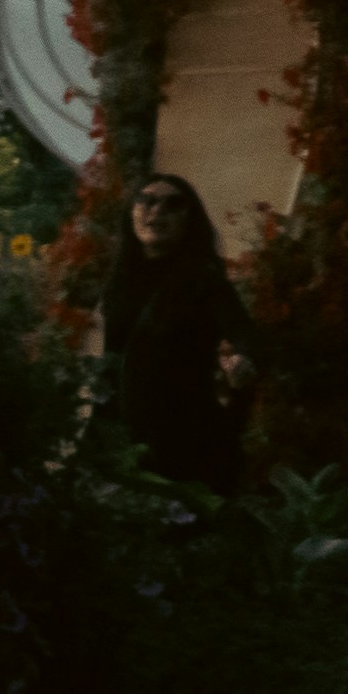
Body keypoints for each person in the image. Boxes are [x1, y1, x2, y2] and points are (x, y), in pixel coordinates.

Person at [98, 167, 253, 491]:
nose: (157, 211)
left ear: (189, 219)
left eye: (173, 204)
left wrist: (241, 358)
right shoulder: (115, 280)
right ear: (131, 212)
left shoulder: (202, 279)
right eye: (146, 201)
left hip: (182, 435)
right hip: (117, 432)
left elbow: (240, 329)